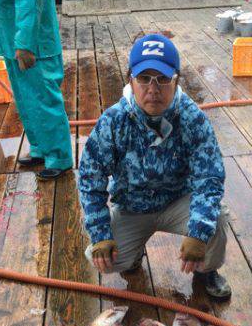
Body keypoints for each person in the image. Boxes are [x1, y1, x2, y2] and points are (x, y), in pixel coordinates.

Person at [78, 33, 232, 300]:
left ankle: (206, 271)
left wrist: (198, 232)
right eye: (144, 78)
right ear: (131, 81)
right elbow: (91, 180)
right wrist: (101, 233)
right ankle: (133, 253)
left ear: (176, 81)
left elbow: (209, 177)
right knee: (101, 257)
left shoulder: (193, 118)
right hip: (132, 207)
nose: (153, 88)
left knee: (215, 220)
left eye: (162, 79)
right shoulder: (112, 121)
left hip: (178, 202)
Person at [0, 0, 73, 179]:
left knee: (43, 100)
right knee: (26, 99)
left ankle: (59, 157)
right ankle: (40, 148)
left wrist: (25, 42)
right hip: (9, 35)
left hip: (32, 41)